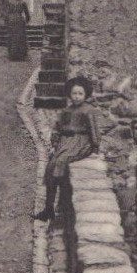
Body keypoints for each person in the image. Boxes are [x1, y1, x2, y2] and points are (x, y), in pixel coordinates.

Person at [34, 76, 97, 222]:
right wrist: (54, 143)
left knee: (61, 161)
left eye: (80, 94)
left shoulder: (88, 111)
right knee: (51, 165)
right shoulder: (66, 110)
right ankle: (48, 208)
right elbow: (57, 128)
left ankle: (62, 206)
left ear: (85, 95)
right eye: (74, 93)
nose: (77, 97)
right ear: (70, 94)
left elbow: (94, 130)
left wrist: (95, 146)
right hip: (65, 141)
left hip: (80, 141)